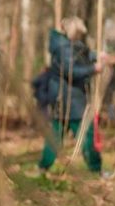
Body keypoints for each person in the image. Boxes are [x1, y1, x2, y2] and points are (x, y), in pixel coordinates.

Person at [39, 17, 110, 175]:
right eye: (78, 33)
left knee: (56, 137)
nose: (79, 36)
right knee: (86, 135)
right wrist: (94, 68)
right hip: (68, 101)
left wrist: (97, 55)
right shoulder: (63, 48)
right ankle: (96, 169)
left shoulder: (68, 45)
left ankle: (43, 168)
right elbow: (72, 70)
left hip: (70, 100)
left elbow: (82, 53)